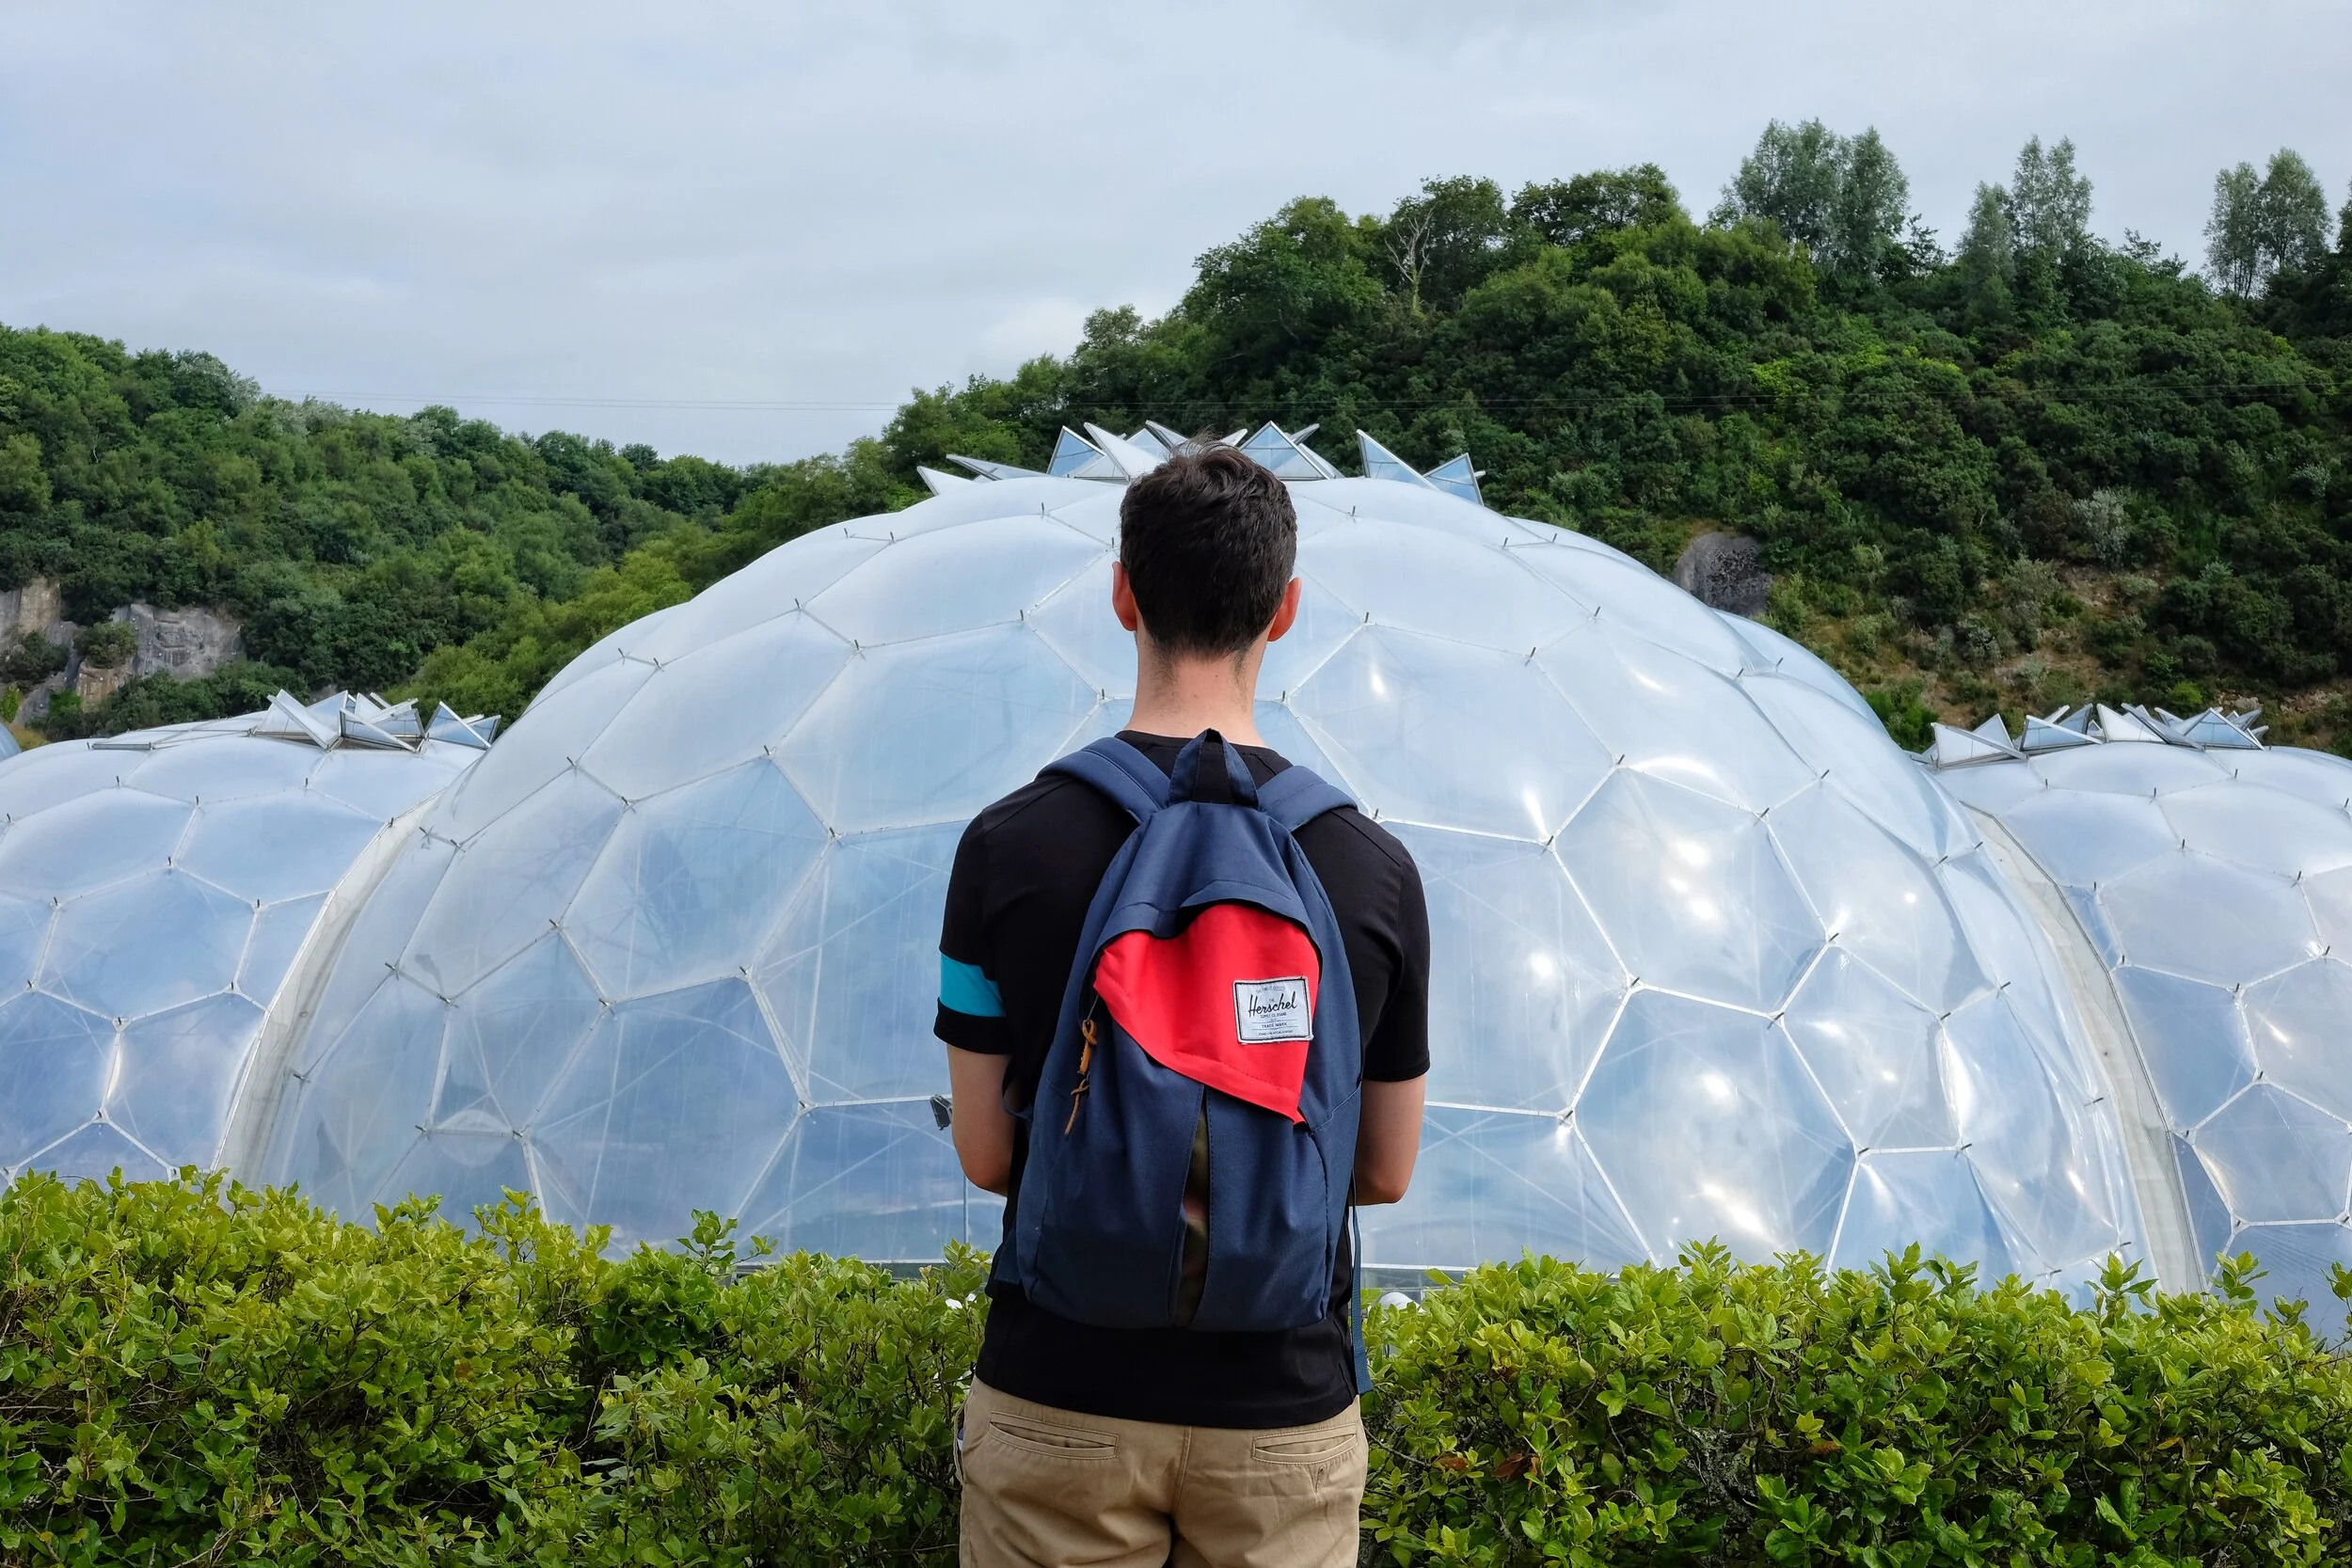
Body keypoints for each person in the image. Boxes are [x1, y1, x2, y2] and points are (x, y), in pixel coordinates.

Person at [934, 443, 1431, 1568]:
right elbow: (1383, 1168)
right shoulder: (1370, 869)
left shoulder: (1005, 845)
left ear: (1124, 595)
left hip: (1058, 1391)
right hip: (1283, 1408)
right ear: (1284, 609)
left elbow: (987, 1151)